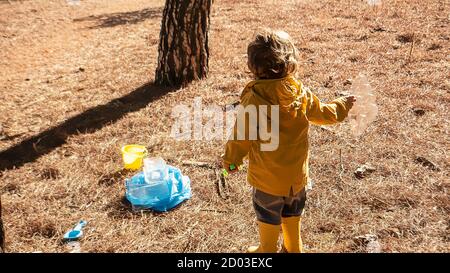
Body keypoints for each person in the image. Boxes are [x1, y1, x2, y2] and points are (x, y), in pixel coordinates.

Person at [222, 29, 356, 253]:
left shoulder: (254, 99)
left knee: (267, 214)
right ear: (290, 62)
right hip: (297, 178)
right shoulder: (299, 91)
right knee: (292, 214)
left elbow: (241, 137)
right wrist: (341, 105)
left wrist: (231, 161)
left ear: (253, 66)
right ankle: (293, 248)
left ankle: (266, 250)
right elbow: (324, 113)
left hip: (268, 180)